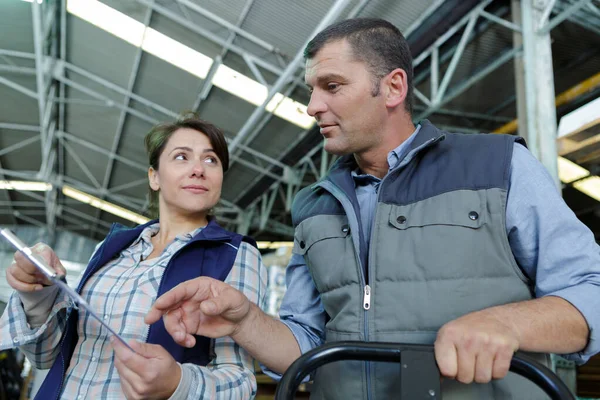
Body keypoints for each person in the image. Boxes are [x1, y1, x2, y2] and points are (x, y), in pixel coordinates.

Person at [144, 19, 600, 399]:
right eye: (311, 89)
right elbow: (305, 344)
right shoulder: (313, 206)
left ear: (393, 86)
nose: (312, 106)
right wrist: (245, 320)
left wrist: (508, 323)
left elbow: (591, 290)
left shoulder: (499, 166)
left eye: (332, 86)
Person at [0, 114, 267, 399]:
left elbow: (240, 381)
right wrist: (39, 297)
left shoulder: (236, 255)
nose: (198, 169)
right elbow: (46, 356)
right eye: (181, 157)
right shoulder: (111, 248)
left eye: (211, 160)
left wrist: (180, 383)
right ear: (154, 177)